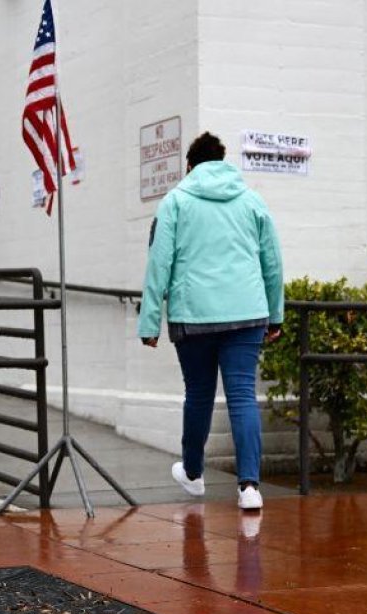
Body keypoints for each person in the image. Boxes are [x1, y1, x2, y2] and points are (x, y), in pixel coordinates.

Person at [138, 132, 284, 510]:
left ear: (190, 166)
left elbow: (159, 264)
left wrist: (149, 322)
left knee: (199, 394)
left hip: (194, 315)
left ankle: (193, 472)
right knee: (241, 395)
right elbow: (272, 262)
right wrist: (276, 313)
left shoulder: (175, 202)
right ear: (222, 162)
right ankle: (249, 486)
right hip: (248, 313)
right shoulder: (252, 201)